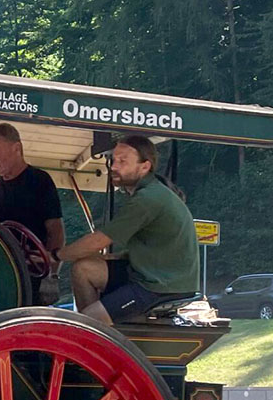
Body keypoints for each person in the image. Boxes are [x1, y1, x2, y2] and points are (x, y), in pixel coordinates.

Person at [51, 134, 199, 325]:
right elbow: (155, 246)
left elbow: (98, 241)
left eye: (123, 161)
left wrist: (56, 256)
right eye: (114, 160)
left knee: (86, 323)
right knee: (83, 269)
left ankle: (95, 330)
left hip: (161, 286)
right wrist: (119, 257)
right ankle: (102, 332)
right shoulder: (151, 192)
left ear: (144, 167)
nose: (113, 166)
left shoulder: (147, 199)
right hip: (150, 274)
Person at [0, 122, 66, 301]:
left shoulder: (39, 181)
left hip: (28, 278)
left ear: (17, 148)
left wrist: (51, 277)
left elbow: (56, 231)